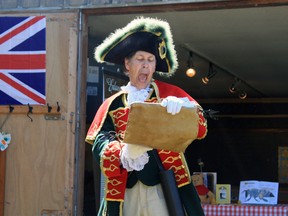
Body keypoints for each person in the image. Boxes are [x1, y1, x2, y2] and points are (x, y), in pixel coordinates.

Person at [85, 17, 207, 216]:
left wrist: (184, 111)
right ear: (127, 63)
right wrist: (124, 152)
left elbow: (200, 128)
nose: (146, 66)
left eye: (150, 60)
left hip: (163, 189)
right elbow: (100, 143)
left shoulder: (170, 95)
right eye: (140, 59)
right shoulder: (112, 104)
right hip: (125, 192)